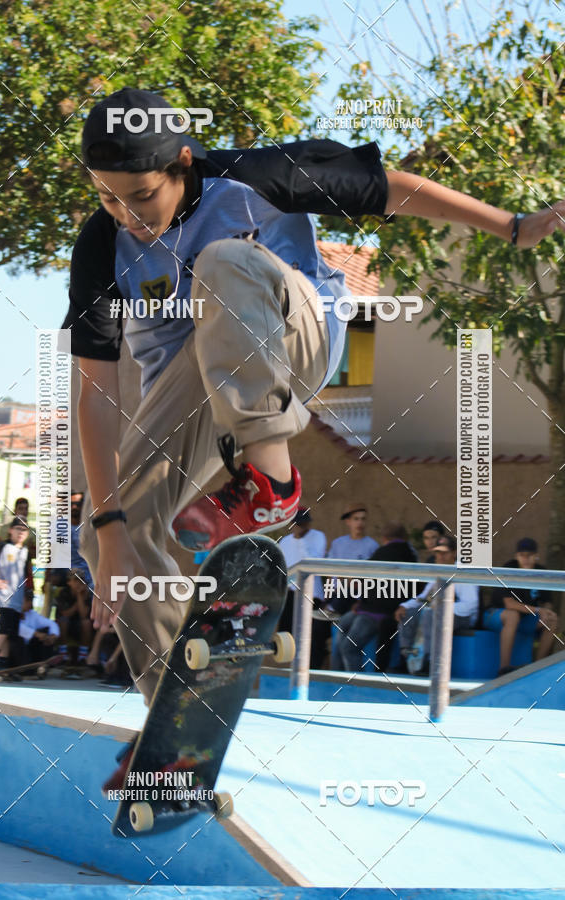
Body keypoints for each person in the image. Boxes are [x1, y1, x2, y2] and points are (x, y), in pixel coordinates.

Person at [62, 85, 564, 720]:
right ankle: (181, 716)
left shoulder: (253, 177)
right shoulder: (100, 248)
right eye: (108, 198)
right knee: (111, 529)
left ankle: (273, 482)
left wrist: (512, 226)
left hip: (294, 338)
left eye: (141, 196)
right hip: (195, 392)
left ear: (183, 161)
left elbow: (389, 189)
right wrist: (109, 527)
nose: (128, 215)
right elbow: (97, 391)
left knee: (224, 261)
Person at [332, 522, 418, 672]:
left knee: (348, 647)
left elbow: (362, 580)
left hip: (375, 613)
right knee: (343, 627)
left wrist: (351, 583)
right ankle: (340, 675)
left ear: (384, 538)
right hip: (379, 609)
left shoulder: (382, 553)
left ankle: (352, 680)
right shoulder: (411, 555)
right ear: (405, 537)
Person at [395, 535, 479, 675]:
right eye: (438, 552)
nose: (440, 556)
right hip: (438, 611)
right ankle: (407, 659)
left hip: (463, 616)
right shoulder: (440, 569)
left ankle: (430, 662)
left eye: (445, 553)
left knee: (430, 615)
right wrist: (405, 605)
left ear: (454, 553)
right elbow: (425, 597)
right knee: (407, 614)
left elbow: (471, 604)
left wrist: (442, 608)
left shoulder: (462, 570)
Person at [485, 538, 558, 676]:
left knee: (552, 619)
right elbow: (509, 603)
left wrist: (546, 611)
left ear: (536, 556)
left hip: (524, 619)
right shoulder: (508, 568)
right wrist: (539, 610)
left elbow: (547, 600)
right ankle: (504, 669)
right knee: (512, 615)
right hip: (494, 615)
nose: (526, 559)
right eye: (522, 555)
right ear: (516, 556)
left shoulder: (541, 571)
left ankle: (537, 668)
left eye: (529, 555)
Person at [0, 518, 33, 671]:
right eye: (18, 528)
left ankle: (3, 662)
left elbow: (27, 576)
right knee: (5, 627)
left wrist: (27, 596)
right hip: (4, 595)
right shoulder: (3, 547)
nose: (21, 532)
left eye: (24, 529)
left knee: (11, 631)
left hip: (18, 597)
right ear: (10, 530)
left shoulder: (26, 551)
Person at [278, 507, 328, 668]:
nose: (300, 527)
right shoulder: (285, 541)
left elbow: (314, 564)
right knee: (288, 635)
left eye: (303, 523)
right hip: (290, 593)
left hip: (311, 593)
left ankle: (313, 669)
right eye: (297, 524)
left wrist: (301, 541)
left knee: (311, 636)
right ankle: (292, 669)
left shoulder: (318, 537)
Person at [325, 504, 379, 614]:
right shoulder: (338, 543)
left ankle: (331, 609)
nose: (360, 523)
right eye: (356, 519)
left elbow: (373, 577)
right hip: (336, 594)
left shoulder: (372, 545)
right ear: (348, 521)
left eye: (363, 519)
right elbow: (330, 572)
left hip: (358, 597)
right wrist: (327, 594)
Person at [57, 568, 93, 664]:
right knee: (63, 620)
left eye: (81, 580)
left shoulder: (87, 593)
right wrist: (78, 601)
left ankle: (82, 657)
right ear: (69, 582)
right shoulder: (63, 593)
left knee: (86, 623)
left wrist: (79, 595)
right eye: (76, 580)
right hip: (66, 624)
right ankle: (63, 656)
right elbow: (66, 614)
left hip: (80, 625)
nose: (79, 583)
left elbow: (84, 615)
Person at [19, 592, 60, 664]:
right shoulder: (10, 614)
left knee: (45, 634)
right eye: (28, 600)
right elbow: (16, 627)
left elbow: (51, 624)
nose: (30, 603)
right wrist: (36, 634)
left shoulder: (32, 614)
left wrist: (53, 636)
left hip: (29, 649)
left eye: (31, 600)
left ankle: (45, 662)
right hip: (16, 649)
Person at [70, 491, 93, 589]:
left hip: (92, 577)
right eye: (71, 504)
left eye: (78, 504)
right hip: (70, 579)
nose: (74, 507)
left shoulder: (92, 526)